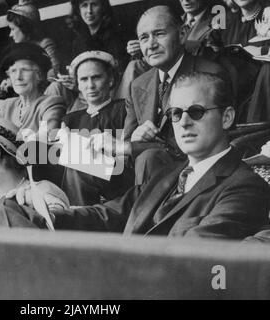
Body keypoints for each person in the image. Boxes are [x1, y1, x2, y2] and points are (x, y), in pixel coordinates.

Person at [46, 71, 270, 240]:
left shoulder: (245, 187)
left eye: (196, 112)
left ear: (227, 117)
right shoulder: (168, 175)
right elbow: (110, 214)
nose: (183, 122)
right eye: (176, 113)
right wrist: (51, 216)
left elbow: (194, 258)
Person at [89, 5, 226, 187]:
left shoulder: (208, 75)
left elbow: (203, 143)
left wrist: (132, 147)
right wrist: (134, 139)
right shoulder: (138, 84)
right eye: (144, 38)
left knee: (149, 157)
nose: (151, 45)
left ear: (183, 33)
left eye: (159, 34)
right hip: (139, 175)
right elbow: (127, 144)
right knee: (82, 157)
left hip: (186, 175)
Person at [60, 50, 134, 205]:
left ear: (111, 80)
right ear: (78, 85)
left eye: (96, 77)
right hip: (80, 188)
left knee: (76, 157)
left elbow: (126, 159)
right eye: (84, 80)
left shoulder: (123, 109)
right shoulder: (70, 120)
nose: (90, 85)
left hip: (118, 183)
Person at [0, 42, 66, 141]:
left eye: (25, 70)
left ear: (39, 75)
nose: (18, 77)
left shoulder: (51, 103)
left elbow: (47, 136)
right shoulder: (8, 105)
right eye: (13, 71)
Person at [6, 3, 61, 77]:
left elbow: (55, 71)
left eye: (13, 29)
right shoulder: (19, 49)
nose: (10, 34)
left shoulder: (45, 44)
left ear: (24, 27)